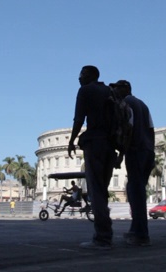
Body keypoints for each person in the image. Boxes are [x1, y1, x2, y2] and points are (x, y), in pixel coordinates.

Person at [67, 65, 116, 250]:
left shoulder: (86, 90)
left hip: (95, 142)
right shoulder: (108, 90)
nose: (79, 78)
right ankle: (106, 233)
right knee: (102, 190)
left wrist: (72, 141)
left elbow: (78, 119)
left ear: (89, 76)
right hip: (110, 145)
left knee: (95, 190)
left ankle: (103, 237)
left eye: (81, 74)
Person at [110, 80, 154, 247]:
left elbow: (128, 128)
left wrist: (121, 152)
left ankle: (141, 234)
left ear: (125, 89)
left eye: (117, 88)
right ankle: (136, 229)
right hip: (147, 150)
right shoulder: (143, 105)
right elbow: (151, 129)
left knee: (135, 192)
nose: (115, 92)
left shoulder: (126, 103)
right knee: (137, 190)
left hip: (136, 150)